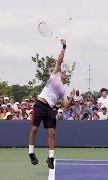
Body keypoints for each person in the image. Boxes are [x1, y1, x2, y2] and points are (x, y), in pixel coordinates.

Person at [28, 39, 75, 169]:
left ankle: (51, 158)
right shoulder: (55, 75)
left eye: (65, 72)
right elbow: (59, 61)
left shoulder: (63, 91)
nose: (64, 72)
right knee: (34, 128)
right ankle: (31, 152)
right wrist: (64, 47)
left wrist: (71, 98)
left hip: (50, 109)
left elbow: (65, 106)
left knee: (52, 133)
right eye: (63, 71)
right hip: (40, 104)